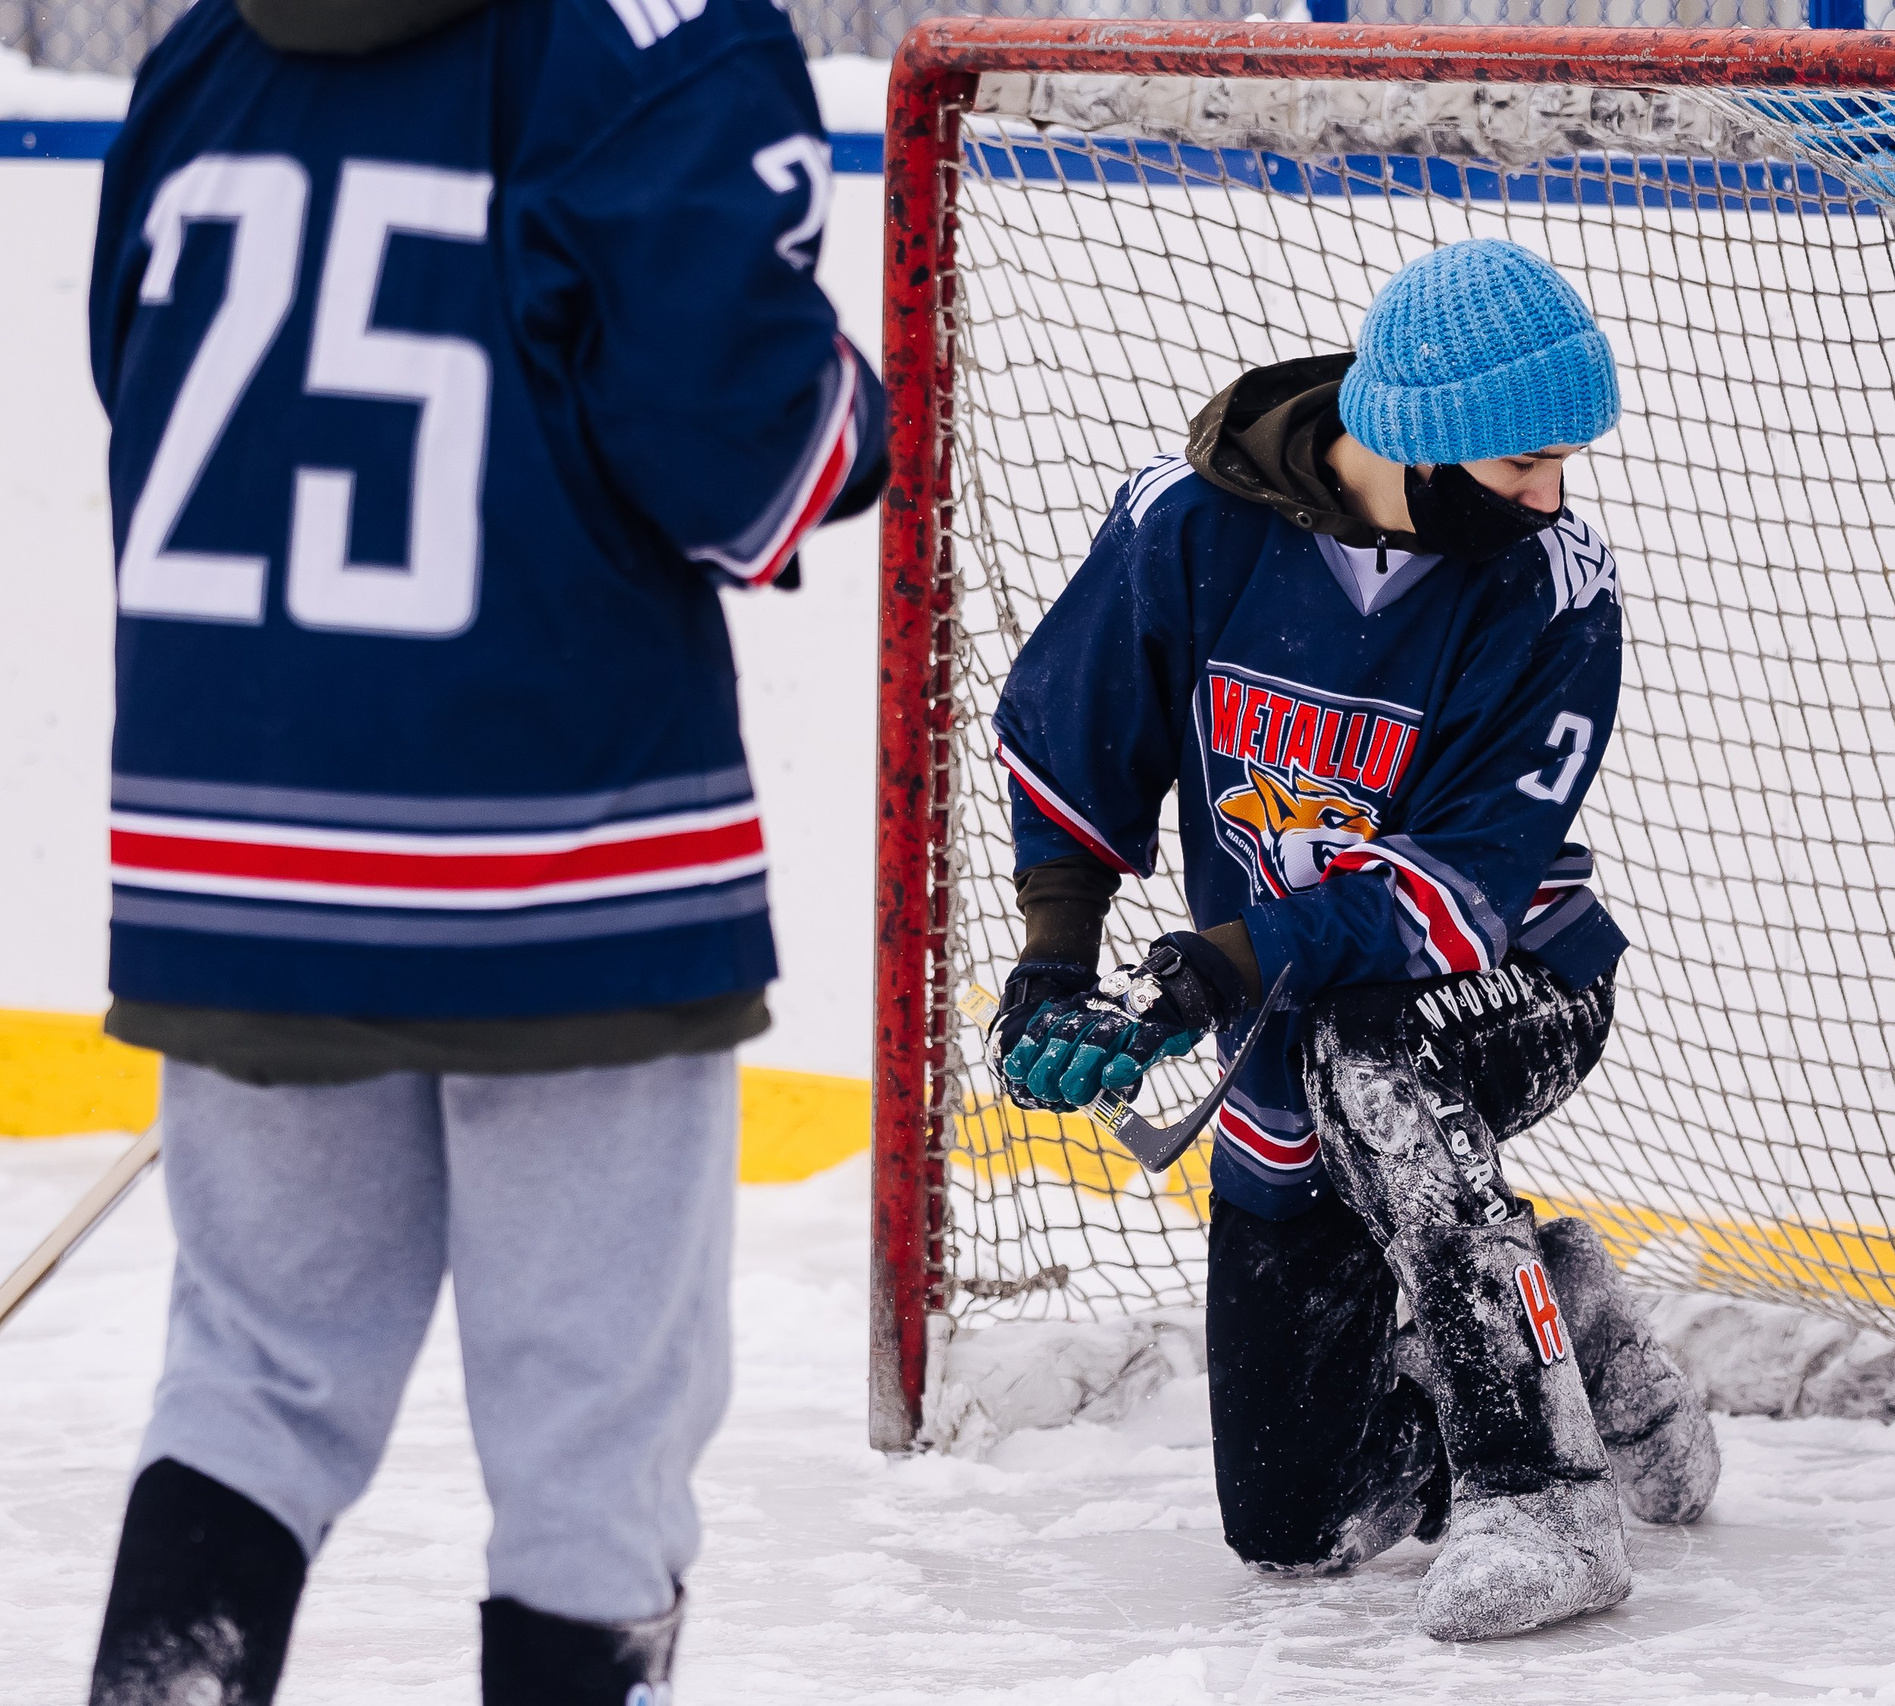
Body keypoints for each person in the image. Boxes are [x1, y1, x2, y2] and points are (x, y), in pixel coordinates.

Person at [83, 0, 885, 1695]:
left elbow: (127, 377)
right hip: (562, 864)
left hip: (230, 852)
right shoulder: (657, 42)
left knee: (249, 1386)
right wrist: (856, 415)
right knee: (592, 1446)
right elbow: (746, 463)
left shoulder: (204, 55)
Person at [990, 239, 1720, 1643]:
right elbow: (1078, 737)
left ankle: (1544, 1496)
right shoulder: (1185, 526)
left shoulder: (1552, 586)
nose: (1552, 495)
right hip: (1280, 1010)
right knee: (1294, 1525)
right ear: (1417, 441)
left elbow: (1457, 887)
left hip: (1511, 980)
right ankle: (1559, 1317)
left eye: (1563, 464)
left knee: (1371, 1049)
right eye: (1524, 464)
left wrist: (1217, 966)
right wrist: (1055, 966)